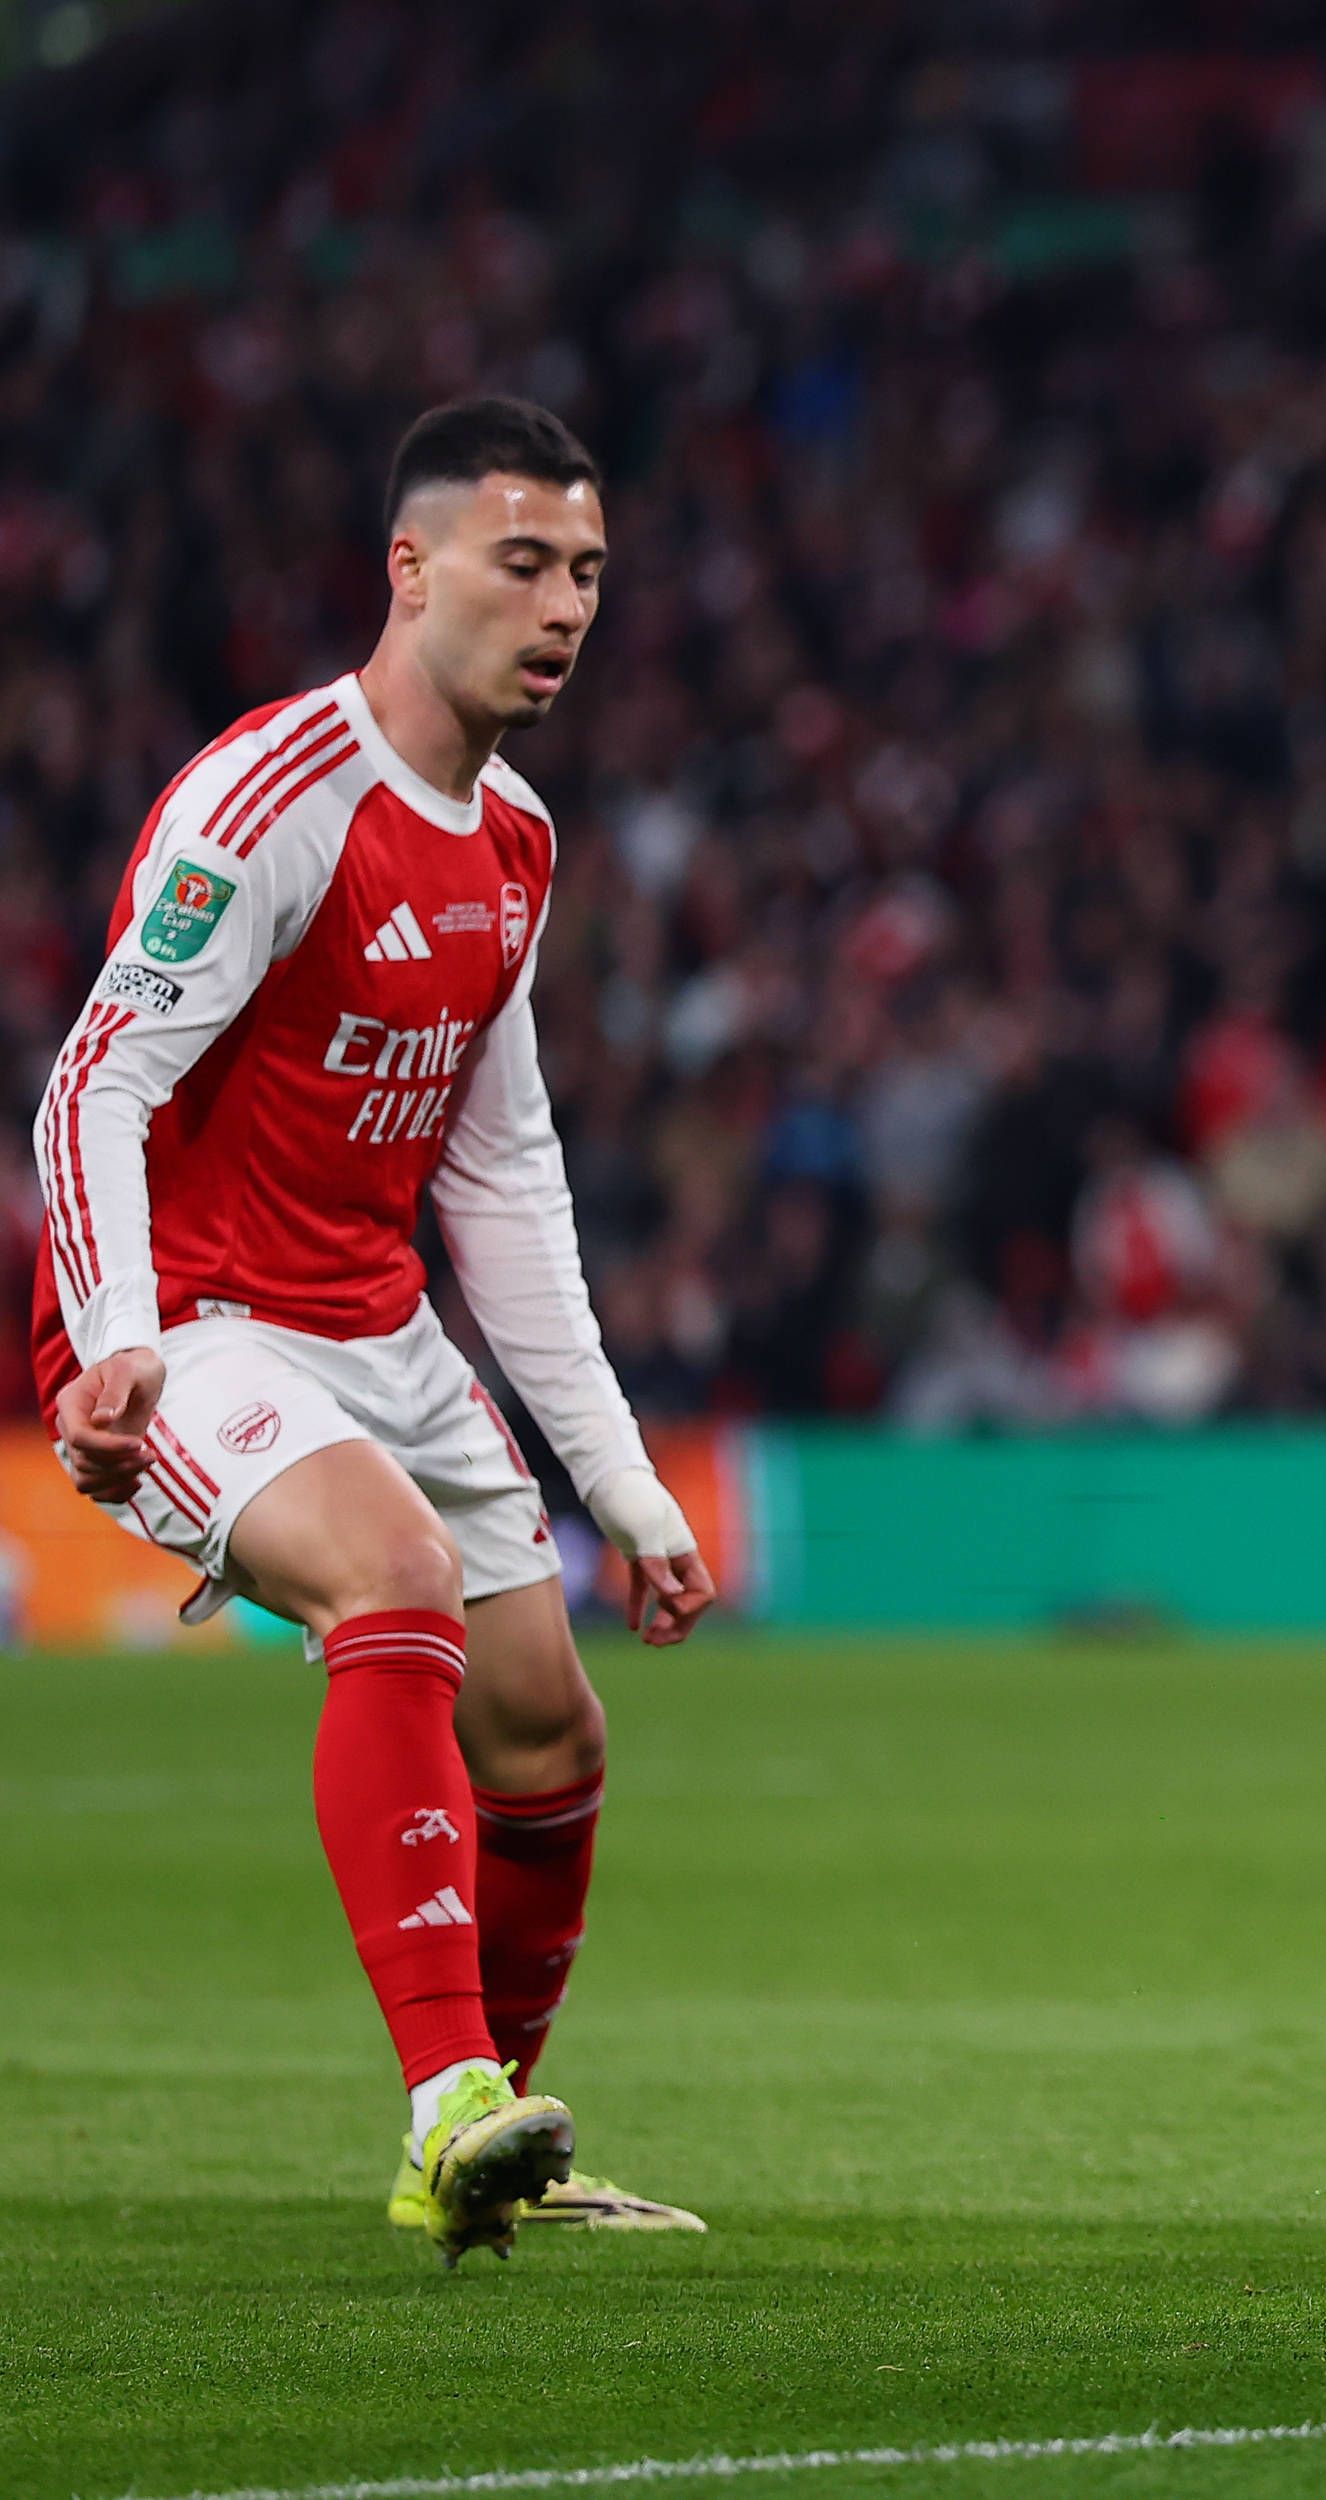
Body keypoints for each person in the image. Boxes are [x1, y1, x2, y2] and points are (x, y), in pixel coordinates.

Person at [32, 396, 719, 2264]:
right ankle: (448, 2098)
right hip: (190, 1326)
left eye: (588, 572)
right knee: (392, 1579)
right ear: (408, 570)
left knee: (547, 1733)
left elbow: (501, 1177)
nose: (562, 606)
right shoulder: (270, 802)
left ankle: (493, 2149)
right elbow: (93, 1083)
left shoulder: (518, 840)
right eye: (523, 563)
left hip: (375, 1326)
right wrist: (116, 1332)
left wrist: (623, 1483)